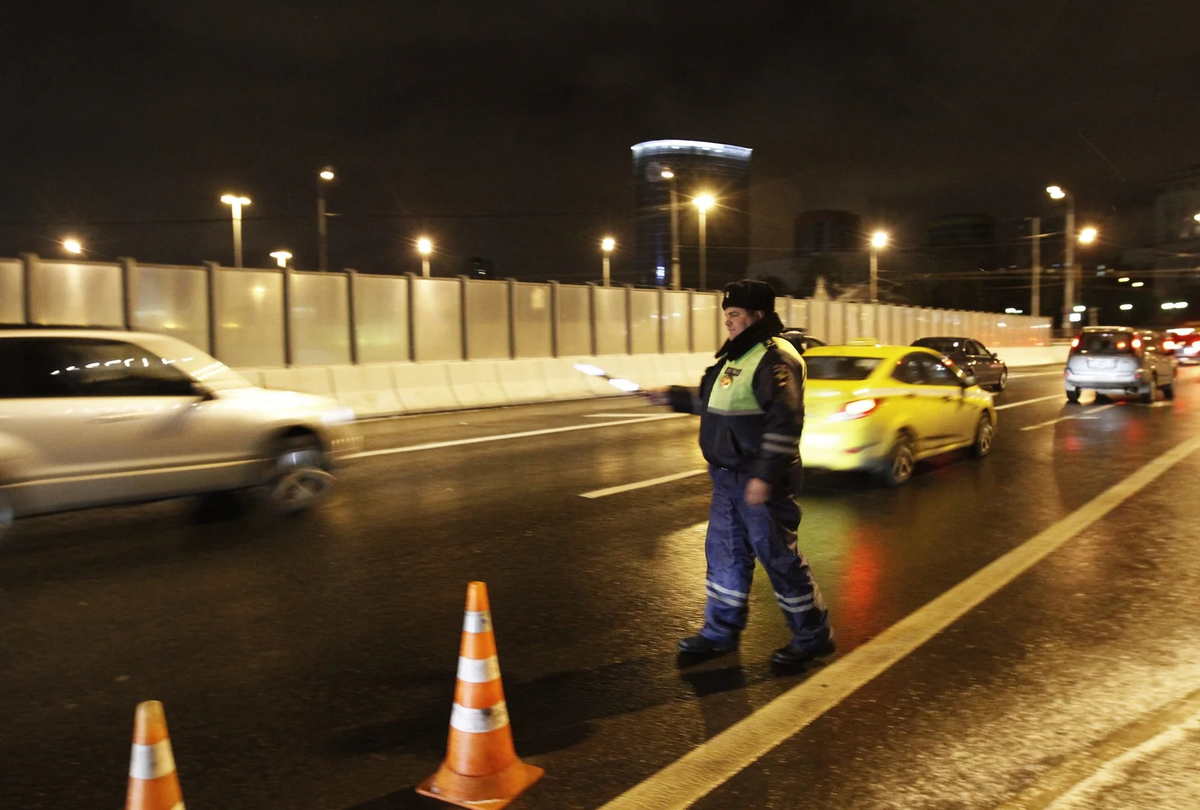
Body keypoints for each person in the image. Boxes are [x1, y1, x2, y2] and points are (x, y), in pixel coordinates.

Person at [644, 279, 833, 666]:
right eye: (726, 315)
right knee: (725, 557)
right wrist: (671, 396)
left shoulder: (775, 357)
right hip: (728, 479)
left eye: (734, 315)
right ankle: (719, 634)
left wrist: (764, 477)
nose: (727, 322)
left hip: (760, 481)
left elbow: (784, 421)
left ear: (758, 315)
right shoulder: (737, 355)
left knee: (779, 559)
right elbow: (711, 401)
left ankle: (813, 637)